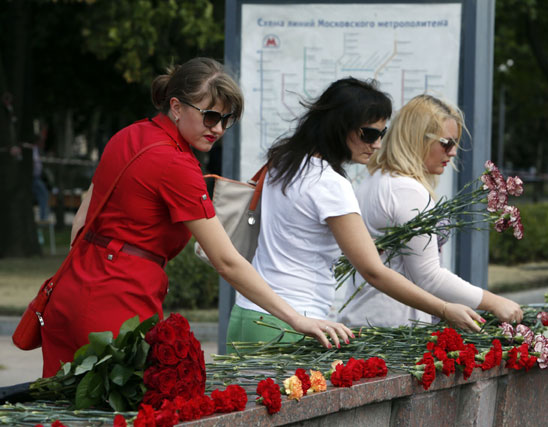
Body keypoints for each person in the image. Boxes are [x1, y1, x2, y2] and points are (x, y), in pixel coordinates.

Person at [40, 58, 351, 377]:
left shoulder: (130, 135)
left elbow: (85, 210)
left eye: (226, 119)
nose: (217, 128)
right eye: (210, 116)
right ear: (176, 107)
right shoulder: (176, 165)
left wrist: (87, 272)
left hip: (71, 290)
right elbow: (226, 261)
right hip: (116, 305)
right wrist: (297, 319)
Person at [227, 78, 485, 350]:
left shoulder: (283, 162)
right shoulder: (330, 183)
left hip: (248, 314)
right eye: (369, 134)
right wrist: (444, 308)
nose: (376, 144)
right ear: (340, 127)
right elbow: (374, 272)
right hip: (292, 325)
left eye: (382, 134)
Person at [336, 94, 523, 328]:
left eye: (455, 143)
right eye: (446, 143)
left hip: (369, 319)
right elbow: (428, 277)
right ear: (417, 139)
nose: (453, 152)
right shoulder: (407, 189)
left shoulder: (377, 179)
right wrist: (494, 302)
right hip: (393, 328)